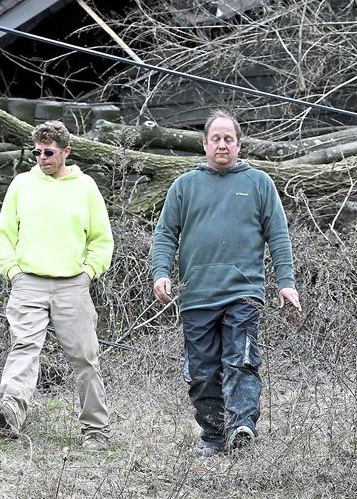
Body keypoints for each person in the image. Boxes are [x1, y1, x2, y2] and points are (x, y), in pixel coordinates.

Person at [151, 109, 301, 456]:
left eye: (228, 139)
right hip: (196, 296)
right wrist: (161, 273)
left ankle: (242, 428)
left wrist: (286, 282)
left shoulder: (259, 183)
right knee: (201, 373)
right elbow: (164, 235)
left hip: (242, 294)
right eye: (215, 138)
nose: (222, 144)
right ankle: (215, 437)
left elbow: (278, 236)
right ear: (204, 144)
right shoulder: (184, 186)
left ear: (239, 144)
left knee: (242, 361)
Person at [0, 121, 114, 450]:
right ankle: (10, 411)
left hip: (72, 284)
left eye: (49, 152)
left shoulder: (85, 187)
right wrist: (13, 272)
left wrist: (88, 273)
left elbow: (102, 240)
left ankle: (95, 429)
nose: (43, 157)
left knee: (84, 357)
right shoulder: (22, 185)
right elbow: (3, 235)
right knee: (24, 347)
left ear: (66, 151)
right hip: (28, 282)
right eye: (38, 151)